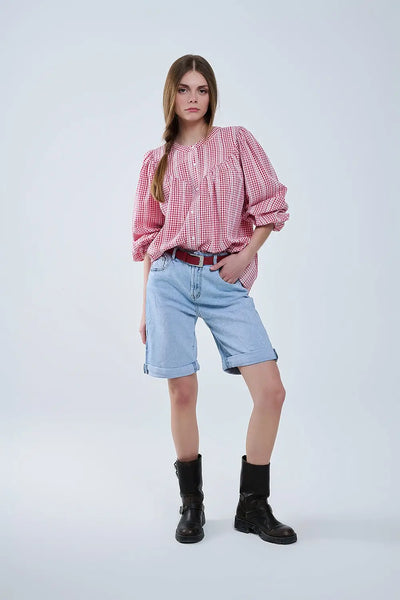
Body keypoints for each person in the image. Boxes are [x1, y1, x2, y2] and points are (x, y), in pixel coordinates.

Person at [131, 54, 297, 545]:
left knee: (271, 391)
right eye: (184, 89)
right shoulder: (156, 161)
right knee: (182, 393)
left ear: (212, 95)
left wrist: (246, 255)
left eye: (202, 89)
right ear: (171, 95)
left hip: (224, 280)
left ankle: (253, 506)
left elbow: (271, 204)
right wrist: (144, 306)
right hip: (169, 279)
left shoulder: (236, 141)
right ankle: (192, 504)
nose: (193, 98)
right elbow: (148, 237)